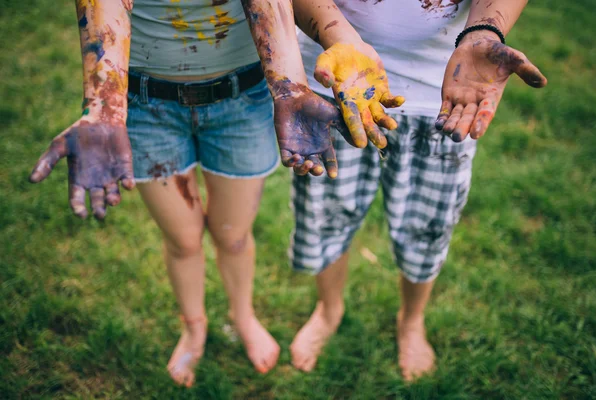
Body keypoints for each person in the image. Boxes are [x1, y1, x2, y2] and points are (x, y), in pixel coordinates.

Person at [28, 0, 400, 388]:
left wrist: (289, 87)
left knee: (233, 235)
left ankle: (243, 317)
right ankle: (194, 327)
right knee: (183, 240)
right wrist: (104, 106)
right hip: (143, 102)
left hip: (241, 98)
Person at [288, 0, 547, 381]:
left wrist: (484, 30)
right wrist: (336, 34)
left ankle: (411, 320)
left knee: (427, 224)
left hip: (447, 90)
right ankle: (328, 309)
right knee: (326, 212)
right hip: (336, 78)